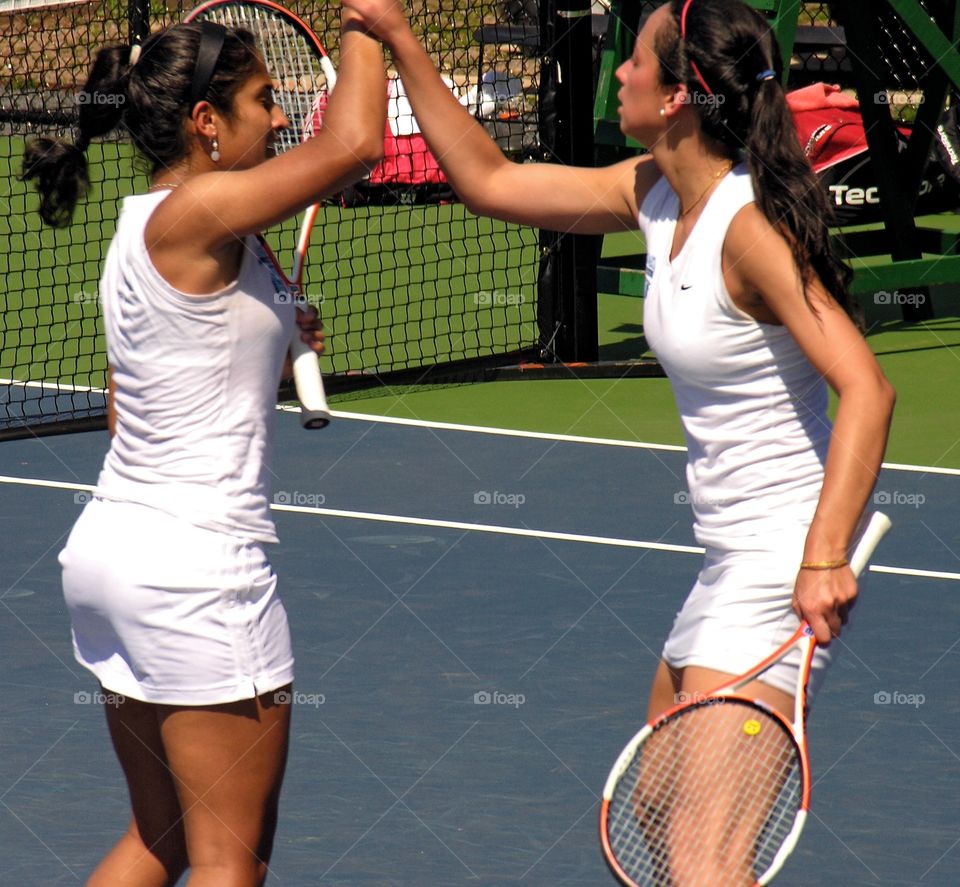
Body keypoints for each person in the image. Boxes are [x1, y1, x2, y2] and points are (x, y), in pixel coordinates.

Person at [344, 0, 895, 878]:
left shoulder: (749, 228)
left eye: (636, 62)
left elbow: (867, 386)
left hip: (779, 562)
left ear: (678, 95)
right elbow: (490, 182)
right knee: (658, 808)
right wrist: (404, 42)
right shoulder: (654, 191)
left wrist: (825, 557)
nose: (623, 74)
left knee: (698, 854)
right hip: (728, 562)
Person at [22, 8, 386, 886]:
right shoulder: (207, 208)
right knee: (233, 859)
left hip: (113, 556)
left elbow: (134, 406)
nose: (279, 117)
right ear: (206, 122)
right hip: (198, 573)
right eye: (264, 100)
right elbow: (356, 143)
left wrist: (267, 331)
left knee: (164, 836)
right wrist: (374, 20)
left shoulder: (147, 225)